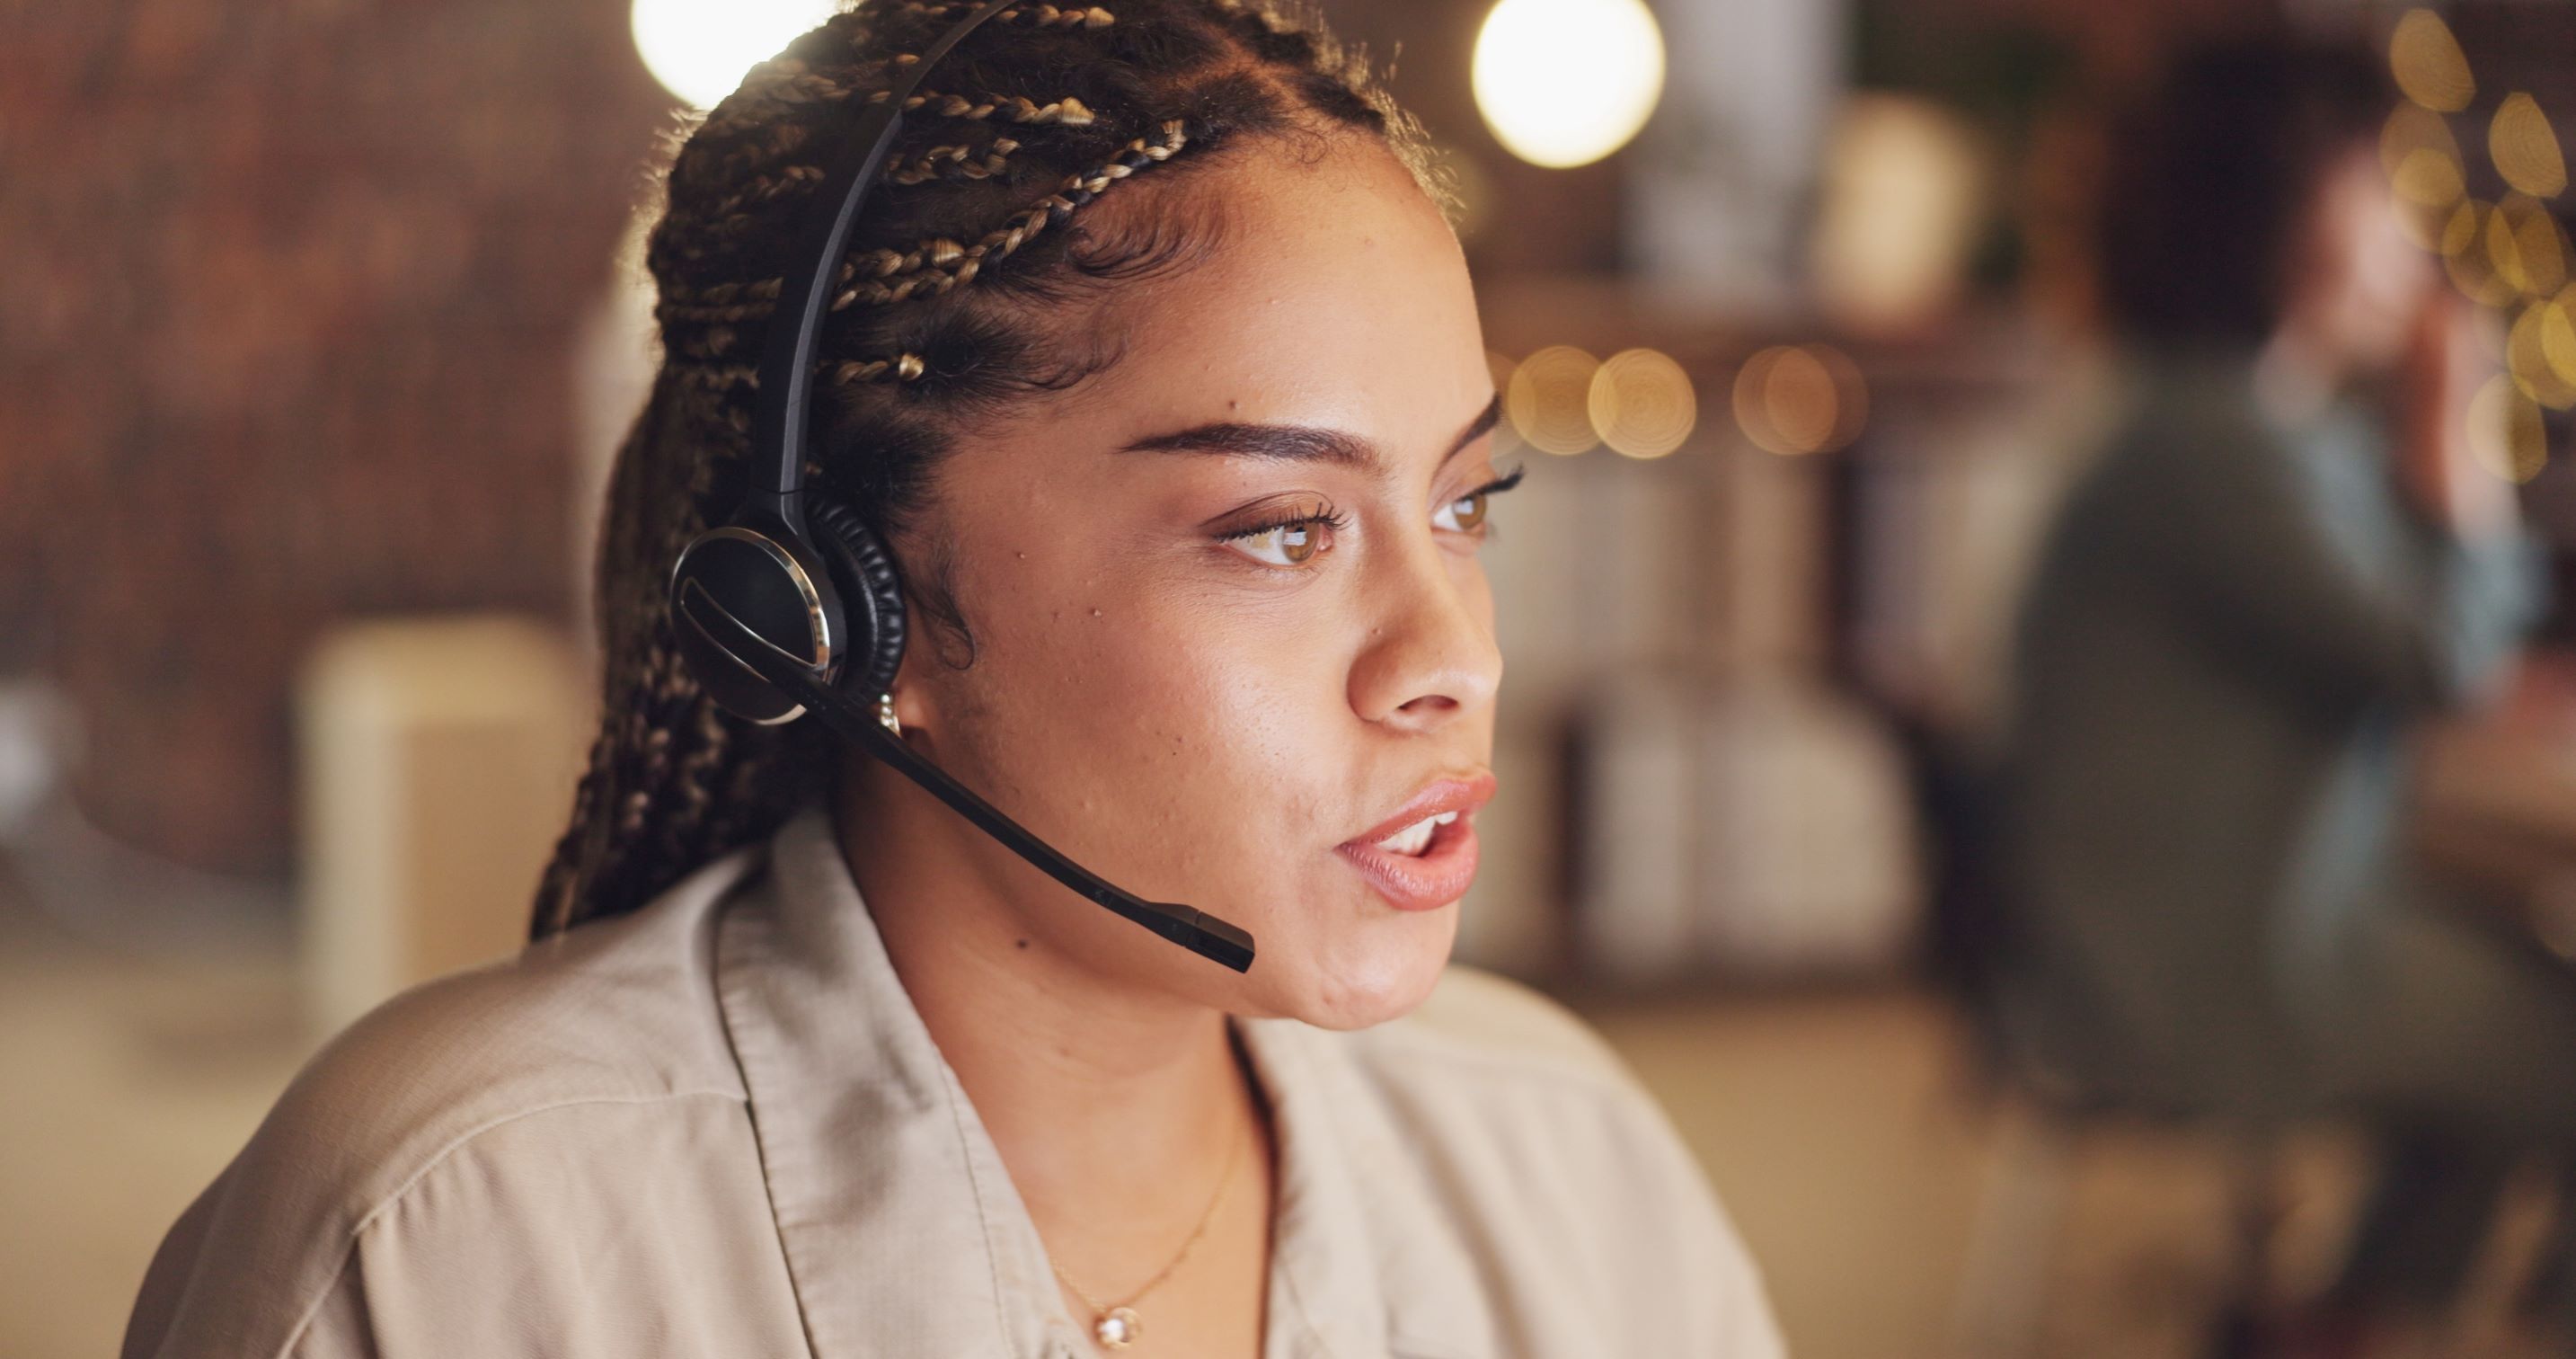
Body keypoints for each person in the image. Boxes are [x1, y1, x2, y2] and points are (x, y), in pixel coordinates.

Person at [119, 3, 1784, 1355]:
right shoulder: (451, 1242)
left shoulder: (1565, 1164)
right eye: (1282, 530)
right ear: (846, 607)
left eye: (1462, 504)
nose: (1457, 660)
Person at [1988, 36, 2576, 1349]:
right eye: (2379, 187)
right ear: (2285, 211)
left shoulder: (2214, 420)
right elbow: (2448, 664)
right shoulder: (2216, 444)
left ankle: (2346, 1317)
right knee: (2557, 1028)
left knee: (2530, 992)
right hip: (2210, 971)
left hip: (2200, 932)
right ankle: (2371, 1313)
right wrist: (2453, 414)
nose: (2409, 231)